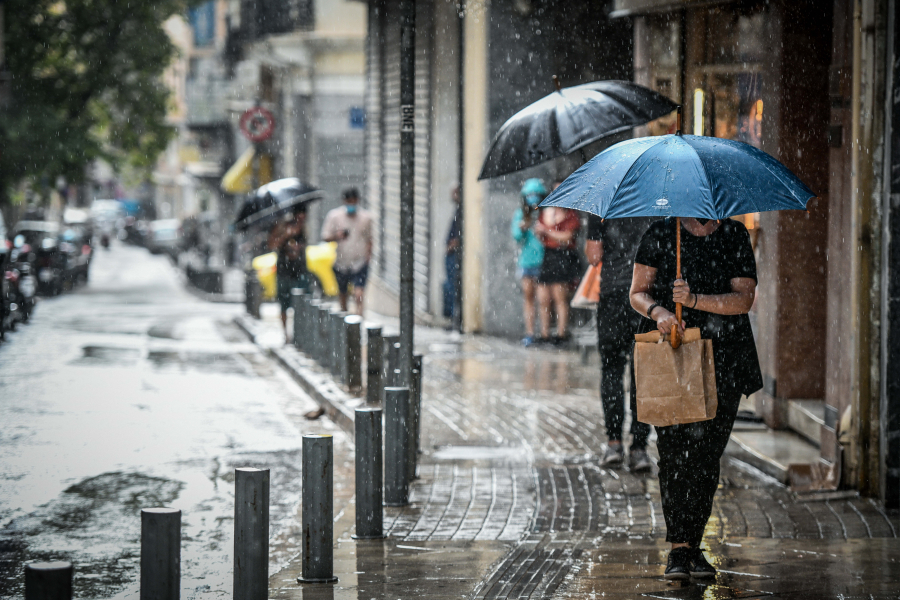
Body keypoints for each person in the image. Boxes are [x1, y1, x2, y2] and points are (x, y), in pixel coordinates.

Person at [629, 216, 762, 580]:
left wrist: (695, 300)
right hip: (672, 356)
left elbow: (743, 299)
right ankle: (679, 549)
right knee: (673, 453)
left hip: (725, 361)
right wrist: (660, 312)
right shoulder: (660, 232)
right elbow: (638, 293)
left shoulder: (734, 234)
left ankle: (694, 542)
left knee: (706, 456)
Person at [585, 214, 654, 471]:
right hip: (647, 299)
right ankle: (639, 448)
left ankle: (614, 443)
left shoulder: (603, 206)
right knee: (643, 374)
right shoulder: (657, 201)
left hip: (613, 295)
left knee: (612, 369)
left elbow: (593, 257)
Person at [534, 186, 580, 345]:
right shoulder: (546, 213)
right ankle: (544, 333)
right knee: (543, 297)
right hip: (548, 255)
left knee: (560, 297)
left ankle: (561, 334)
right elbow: (543, 235)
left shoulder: (571, 215)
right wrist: (543, 232)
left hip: (563, 256)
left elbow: (567, 238)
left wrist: (547, 231)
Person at [322, 187, 373, 316]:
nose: (351, 204)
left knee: (358, 293)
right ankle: (344, 319)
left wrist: (368, 257)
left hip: (360, 262)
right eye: (349, 201)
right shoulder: (334, 216)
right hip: (341, 262)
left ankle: (359, 317)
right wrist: (337, 236)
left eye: (353, 201)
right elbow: (325, 236)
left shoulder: (366, 218)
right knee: (342, 293)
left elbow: (370, 239)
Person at [511, 179, 546, 346]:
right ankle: (530, 332)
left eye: (536, 194)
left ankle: (544, 333)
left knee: (543, 299)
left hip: (543, 260)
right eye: (530, 195)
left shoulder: (545, 213)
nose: (533, 198)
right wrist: (523, 228)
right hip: (526, 262)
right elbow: (516, 236)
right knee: (529, 298)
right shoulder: (520, 214)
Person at [268, 208, 309, 343]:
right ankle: (286, 335)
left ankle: (300, 334)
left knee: (302, 304)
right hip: (284, 271)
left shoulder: (304, 229)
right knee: (284, 304)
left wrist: (297, 247)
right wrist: (286, 235)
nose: (302, 218)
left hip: (300, 270)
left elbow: (303, 247)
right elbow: (272, 244)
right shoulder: (281, 226)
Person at [443, 185, 462, 324]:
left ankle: (453, 317)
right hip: (451, 254)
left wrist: (452, 245)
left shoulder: (462, 212)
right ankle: (451, 316)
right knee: (450, 285)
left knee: (452, 285)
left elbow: (459, 236)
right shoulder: (458, 210)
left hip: (453, 254)